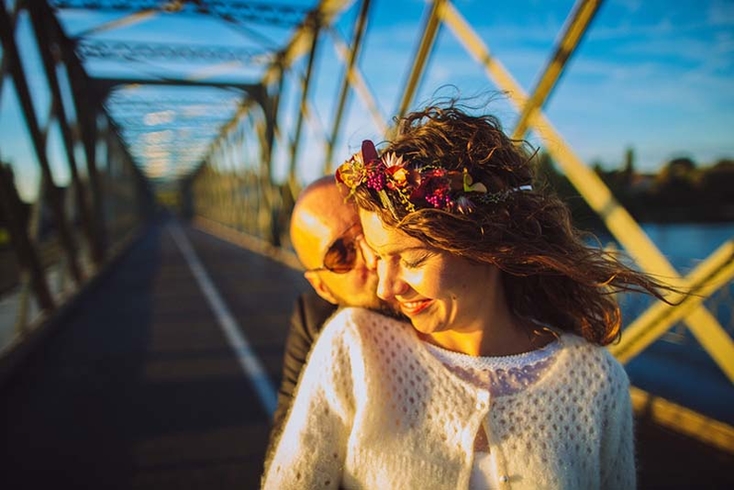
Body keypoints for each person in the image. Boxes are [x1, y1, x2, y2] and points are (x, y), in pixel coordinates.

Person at [263, 101, 674, 489]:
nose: (384, 285)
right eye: (368, 255)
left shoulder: (595, 381)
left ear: (484, 242)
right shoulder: (353, 347)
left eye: (412, 258)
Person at [267, 176, 392, 455]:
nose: (372, 258)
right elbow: (292, 442)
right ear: (322, 288)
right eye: (341, 255)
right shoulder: (314, 322)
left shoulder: (445, 288)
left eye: (373, 231)